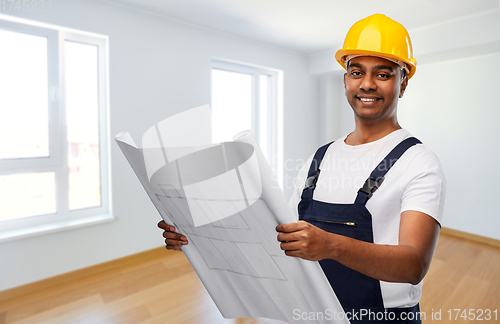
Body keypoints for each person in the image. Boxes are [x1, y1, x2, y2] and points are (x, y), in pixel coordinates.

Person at [158, 13, 446, 324]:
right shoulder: (317, 159)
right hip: (313, 312)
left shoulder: (418, 161)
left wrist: (331, 245)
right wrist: (198, 239)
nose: (366, 84)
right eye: (356, 71)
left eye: (384, 74)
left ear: (404, 82)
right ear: (345, 79)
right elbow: (285, 241)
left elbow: (414, 265)